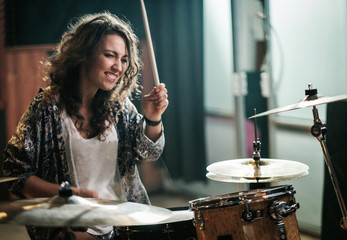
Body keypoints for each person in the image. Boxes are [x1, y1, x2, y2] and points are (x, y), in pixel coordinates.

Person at [2, 11, 168, 240]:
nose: (118, 67)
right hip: (72, 229)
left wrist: (153, 118)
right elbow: (14, 172)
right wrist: (68, 195)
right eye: (110, 55)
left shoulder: (120, 106)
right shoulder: (47, 107)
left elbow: (150, 153)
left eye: (124, 59)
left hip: (124, 225)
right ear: (84, 53)